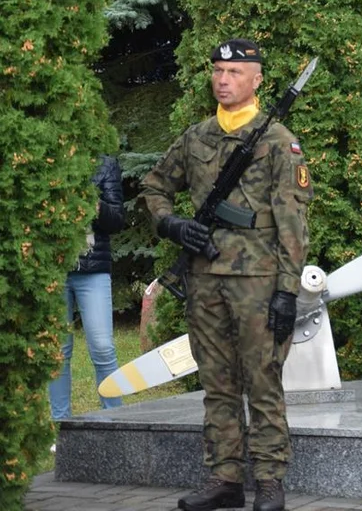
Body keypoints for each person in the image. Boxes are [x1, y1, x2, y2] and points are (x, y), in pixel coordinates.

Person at [141, 39, 313, 511]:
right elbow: (155, 185)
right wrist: (172, 223)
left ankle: (271, 480)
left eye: (235, 72)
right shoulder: (196, 137)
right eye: (217, 70)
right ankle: (225, 479)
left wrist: (287, 291)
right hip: (204, 279)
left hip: (258, 280)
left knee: (262, 379)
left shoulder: (279, 141)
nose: (222, 80)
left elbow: (293, 224)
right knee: (216, 382)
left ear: (256, 80)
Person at [49, 155, 126, 420]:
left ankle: (116, 420)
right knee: (57, 351)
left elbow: (117, 219)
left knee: (103, 347)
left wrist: (95, 205)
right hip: (53, 269)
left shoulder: (105, 163)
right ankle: (60, 427)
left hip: (93, 269)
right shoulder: (42, 159)